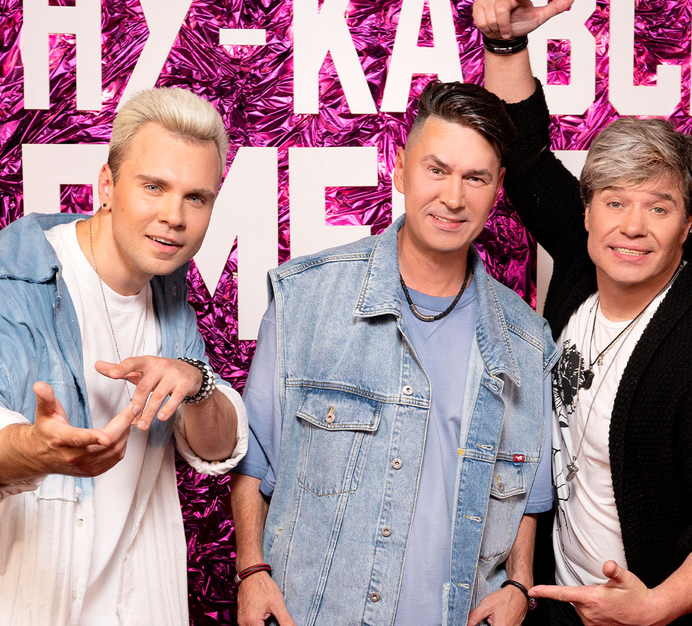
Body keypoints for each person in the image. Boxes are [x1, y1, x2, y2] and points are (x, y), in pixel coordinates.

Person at [474, 0, 692, 626]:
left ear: (687, 223)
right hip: (559, 606)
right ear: (587, 211)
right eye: (615, 202)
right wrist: (505, 44)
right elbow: (524, 158)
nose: (632, 227)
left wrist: (653, 607)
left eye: (659, 207)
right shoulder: (585, 262)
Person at [0, 87, 248, 626]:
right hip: (6, 608)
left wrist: (198, 383)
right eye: (154, 187)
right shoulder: (4, 284)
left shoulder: (166, 290)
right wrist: (39, 450)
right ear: (106, 185)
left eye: (196, 198)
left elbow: (218, 448)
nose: (174, 216)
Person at [230, 81, 558, 626]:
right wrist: (251, 570)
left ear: (498, 188)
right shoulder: (306, 299)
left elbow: (528, 496)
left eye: (475, 178)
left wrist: (520, 585)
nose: (453, 198)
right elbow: (255, 458)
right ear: (401, 168)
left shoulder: (526, 340)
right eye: (437, 170)